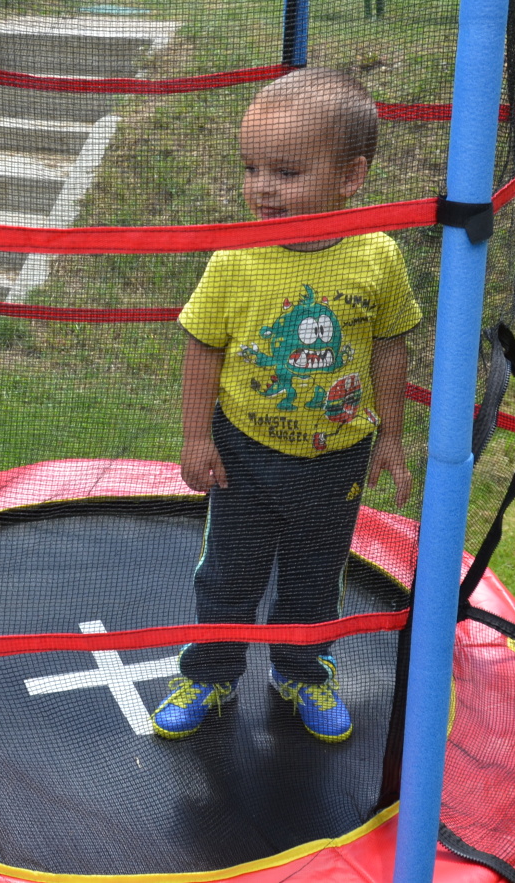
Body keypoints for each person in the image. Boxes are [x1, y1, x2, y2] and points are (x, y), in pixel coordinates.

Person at [150, 69, 421, 744]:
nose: (263, 187)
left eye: (286, 171)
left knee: (315, 577)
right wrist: (196, 439)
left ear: (351, 177)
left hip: (336, 459)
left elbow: (390, 346)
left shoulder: (378, 256)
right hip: (244, 453)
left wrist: (391, 435)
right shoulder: (237, 259)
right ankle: (210, 673)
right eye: (251, 168)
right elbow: (202, 348)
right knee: (229, 575)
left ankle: (302, 670)